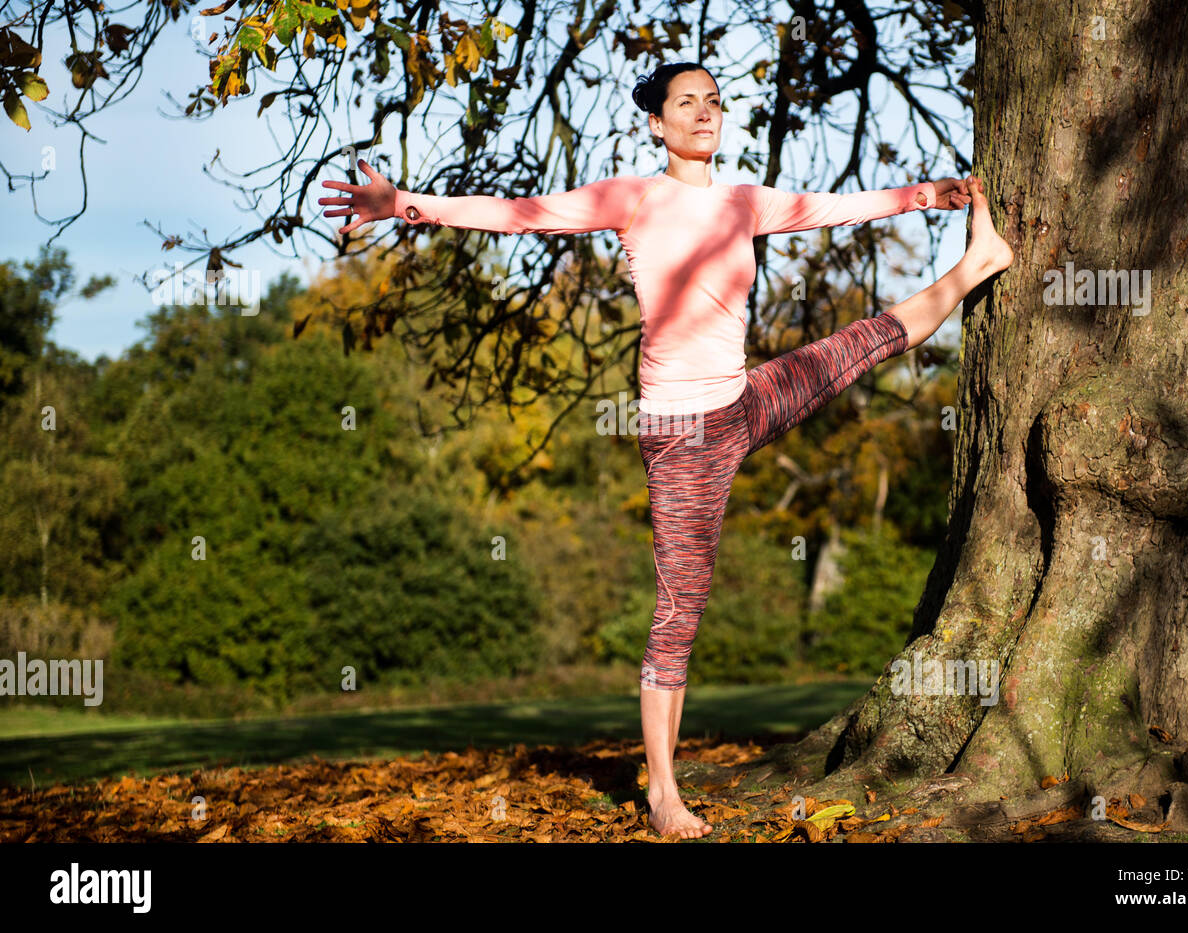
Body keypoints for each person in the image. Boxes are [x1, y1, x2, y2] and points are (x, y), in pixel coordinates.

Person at [318, 61, 1013, 840]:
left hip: (742, 401)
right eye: (687, 103)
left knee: (858, 344)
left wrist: (928, 195)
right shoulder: (634, 197)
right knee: (680, 611)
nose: (704, 113)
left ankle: (979, 260)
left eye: (713, 101)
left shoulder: (742, 201)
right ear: (657, 122)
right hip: (682, 434)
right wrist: (405, 205)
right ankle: (662, 792)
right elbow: (521, 214)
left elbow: (831, 208)